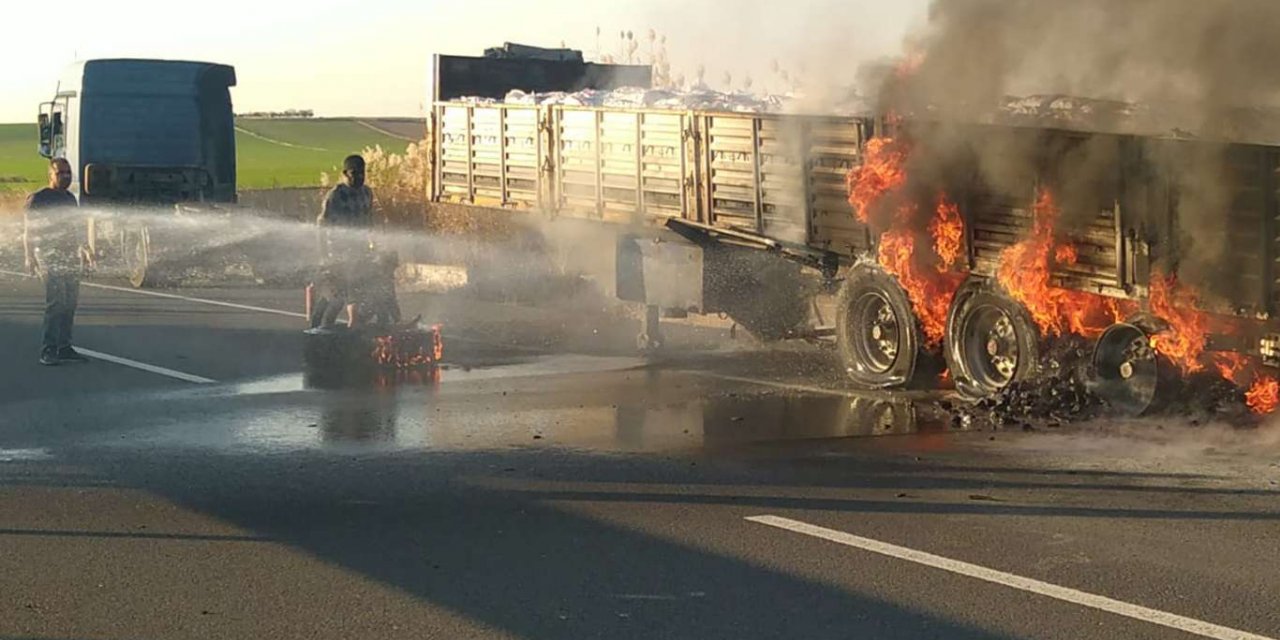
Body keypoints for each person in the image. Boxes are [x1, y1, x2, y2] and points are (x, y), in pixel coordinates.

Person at [24, 158, 90, 366]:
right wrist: (29, 257)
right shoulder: (39, 199)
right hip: (47, 253)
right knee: (56, 302)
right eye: (61, 173)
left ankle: (64, 346)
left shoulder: (70, 198)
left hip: (69, 254)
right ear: (50, 175)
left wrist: (85, 248)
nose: (66, 177)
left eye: (68, 173)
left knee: (70, 302)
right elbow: (28, 230)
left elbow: (75, 227)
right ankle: (48, 348)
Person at [308, 154, 375, 332]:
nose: (359, 177)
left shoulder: (367, 193)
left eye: (362, 173)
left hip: (359, 253)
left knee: (355, 292)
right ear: (345, 173)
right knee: (336, 296)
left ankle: (344, 329)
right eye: (354, 173)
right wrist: (324, 258)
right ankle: (319, 327)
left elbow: (369, 222)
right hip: (337, 254)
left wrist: (373, 247)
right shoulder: (336, 196)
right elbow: (321, 227)